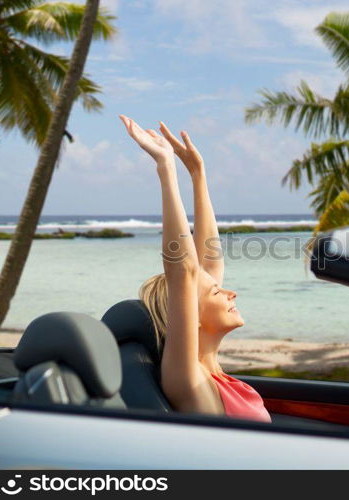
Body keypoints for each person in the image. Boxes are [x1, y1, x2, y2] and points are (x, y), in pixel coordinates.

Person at [119, 115, 271, 423]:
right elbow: (184, 272)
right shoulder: (191, 383)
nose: (231, 292)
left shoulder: (215, 377)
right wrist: (166, 168)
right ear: (192, 315)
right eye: (217, 291)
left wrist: (198, 174)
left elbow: (208, 262)